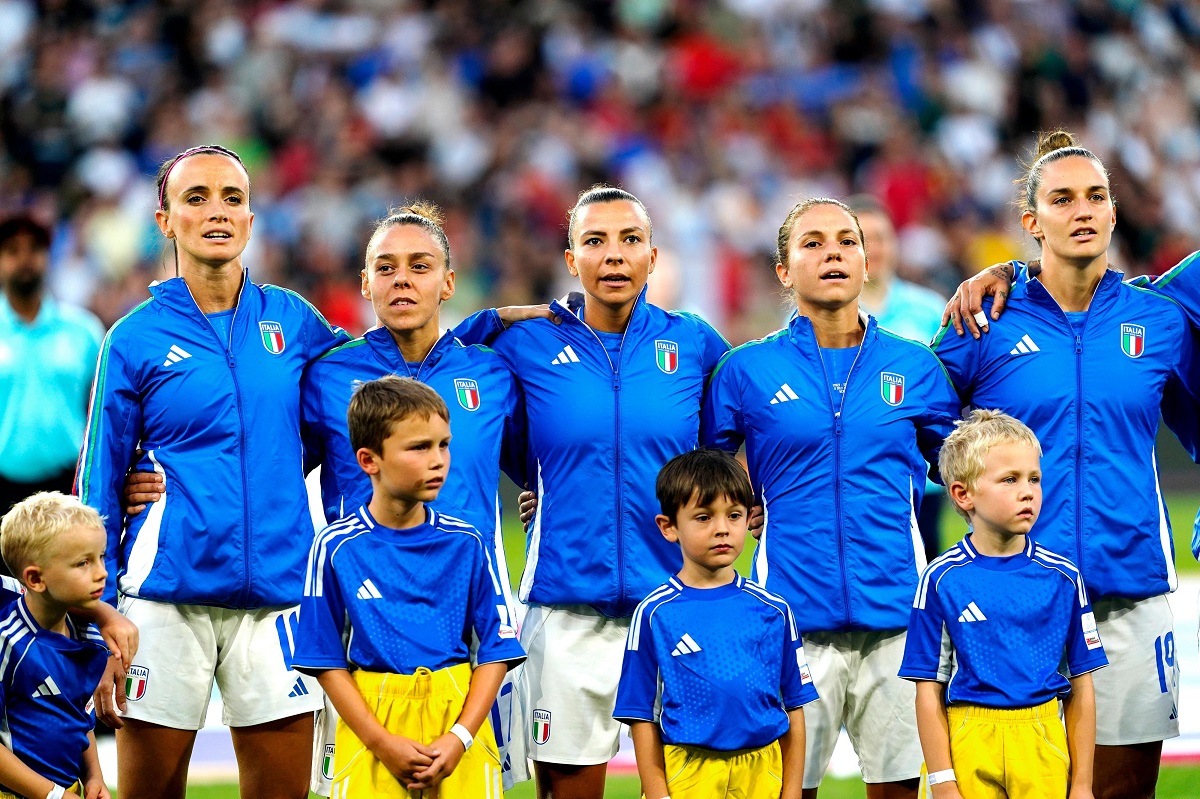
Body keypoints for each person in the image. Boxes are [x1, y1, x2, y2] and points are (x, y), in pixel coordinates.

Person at [75, 144, 351, 799]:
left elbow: (366, 398)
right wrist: (101, 609)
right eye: (196, 198)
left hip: (281, 601)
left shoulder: (296, 322)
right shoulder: (134, 337)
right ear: (165, 220)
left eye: (232, 197)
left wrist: (273, 472)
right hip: (164, 602)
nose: (216, 211)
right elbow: (98, 487)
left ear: (252, 219)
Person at [930, 131, 1196, 799]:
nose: (1082, 210)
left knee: (1122, 791)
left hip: (1131, 590)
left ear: (1113, 213)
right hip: (1011, 595)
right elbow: (923, 430)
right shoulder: (983, 319)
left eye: (1096, 196)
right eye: (1063, 198)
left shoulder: (1159, 320)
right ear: (1032, 222)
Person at [701, 197, 959, 799]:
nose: (834, 252)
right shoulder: (746, 371)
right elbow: (707, 476)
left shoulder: (915, 366)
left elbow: (962, 471)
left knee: (897, 790)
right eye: (813, 243)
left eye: (847, 241)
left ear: (868, 263)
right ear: (784, 271)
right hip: (788, 622)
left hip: (898, 620)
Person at [492, 185, 730, 799]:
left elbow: (749, 423)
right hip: (567, 611)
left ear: (653, 256)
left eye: (629, 240)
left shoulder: (696, 343)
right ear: (571, 261)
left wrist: (745, 501)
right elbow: (449, 364)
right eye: (594, 241)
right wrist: (493, 318)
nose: (614, 255)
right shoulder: (525, 345)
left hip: (681, 607)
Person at [299, 202, 533, 791]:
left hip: (476, 629)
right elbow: (274, 471)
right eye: (386, 266)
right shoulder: (327, 374)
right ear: (365, 283)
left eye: (421, 265)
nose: (402, 278)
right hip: (362, 631)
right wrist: (154, 477)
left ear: (448, 282)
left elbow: (548, 466)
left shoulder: (494, 373)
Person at [293, 376, 525, 798]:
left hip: (458, 717)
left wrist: (460, 738)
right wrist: (382, 743)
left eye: (444, 444)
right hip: (370, 726)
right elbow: (323, 657)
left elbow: (498, 649)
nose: (438, 460)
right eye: (420, 447)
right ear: (369, 460)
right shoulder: (335, 547)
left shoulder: (469, 542)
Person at [901, 410, 1105, 799]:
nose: (1027, 491)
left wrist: (1081, 784)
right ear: (964, 494)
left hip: (1043, 739)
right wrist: (943, 781)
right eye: (1009, 479)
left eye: (1034, 478)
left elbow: (1082, 682)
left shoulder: (1063, 577)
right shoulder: (940, 579)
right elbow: (927, 687)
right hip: (968, 740)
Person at [614, 448, 818, 799]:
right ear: (669, 527)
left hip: (763, 771)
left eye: (734, 515)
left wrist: (792, 790)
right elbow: (640, 715)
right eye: (704, 517)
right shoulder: (654, 614)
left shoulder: (774, 609)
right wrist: (657, 792)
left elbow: (794, 706)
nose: (722, 529)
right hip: (687, 773)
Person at [851, 196, 949, 562]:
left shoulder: (929, 310)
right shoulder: (814, 316)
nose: (872, 248)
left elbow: (949, 391)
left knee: (925, 587)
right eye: (861, 238)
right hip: (852, 478)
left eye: (880, 237)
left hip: (918, 482)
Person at [0, 492, 112, 799]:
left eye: (101, 557)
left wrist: (94, 777)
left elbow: (76, 716)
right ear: (35, 579)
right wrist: (52, 795)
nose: (102, 572)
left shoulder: (90, 638)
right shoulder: (9, 642)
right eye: (83, 563)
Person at [0, 215, 104, 518]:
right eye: (12, 250)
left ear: (48, 256)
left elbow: (101, 411)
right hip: (2, 486)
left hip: (66, 485)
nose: (25, 259)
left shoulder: (83, 330)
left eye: (34, 249)